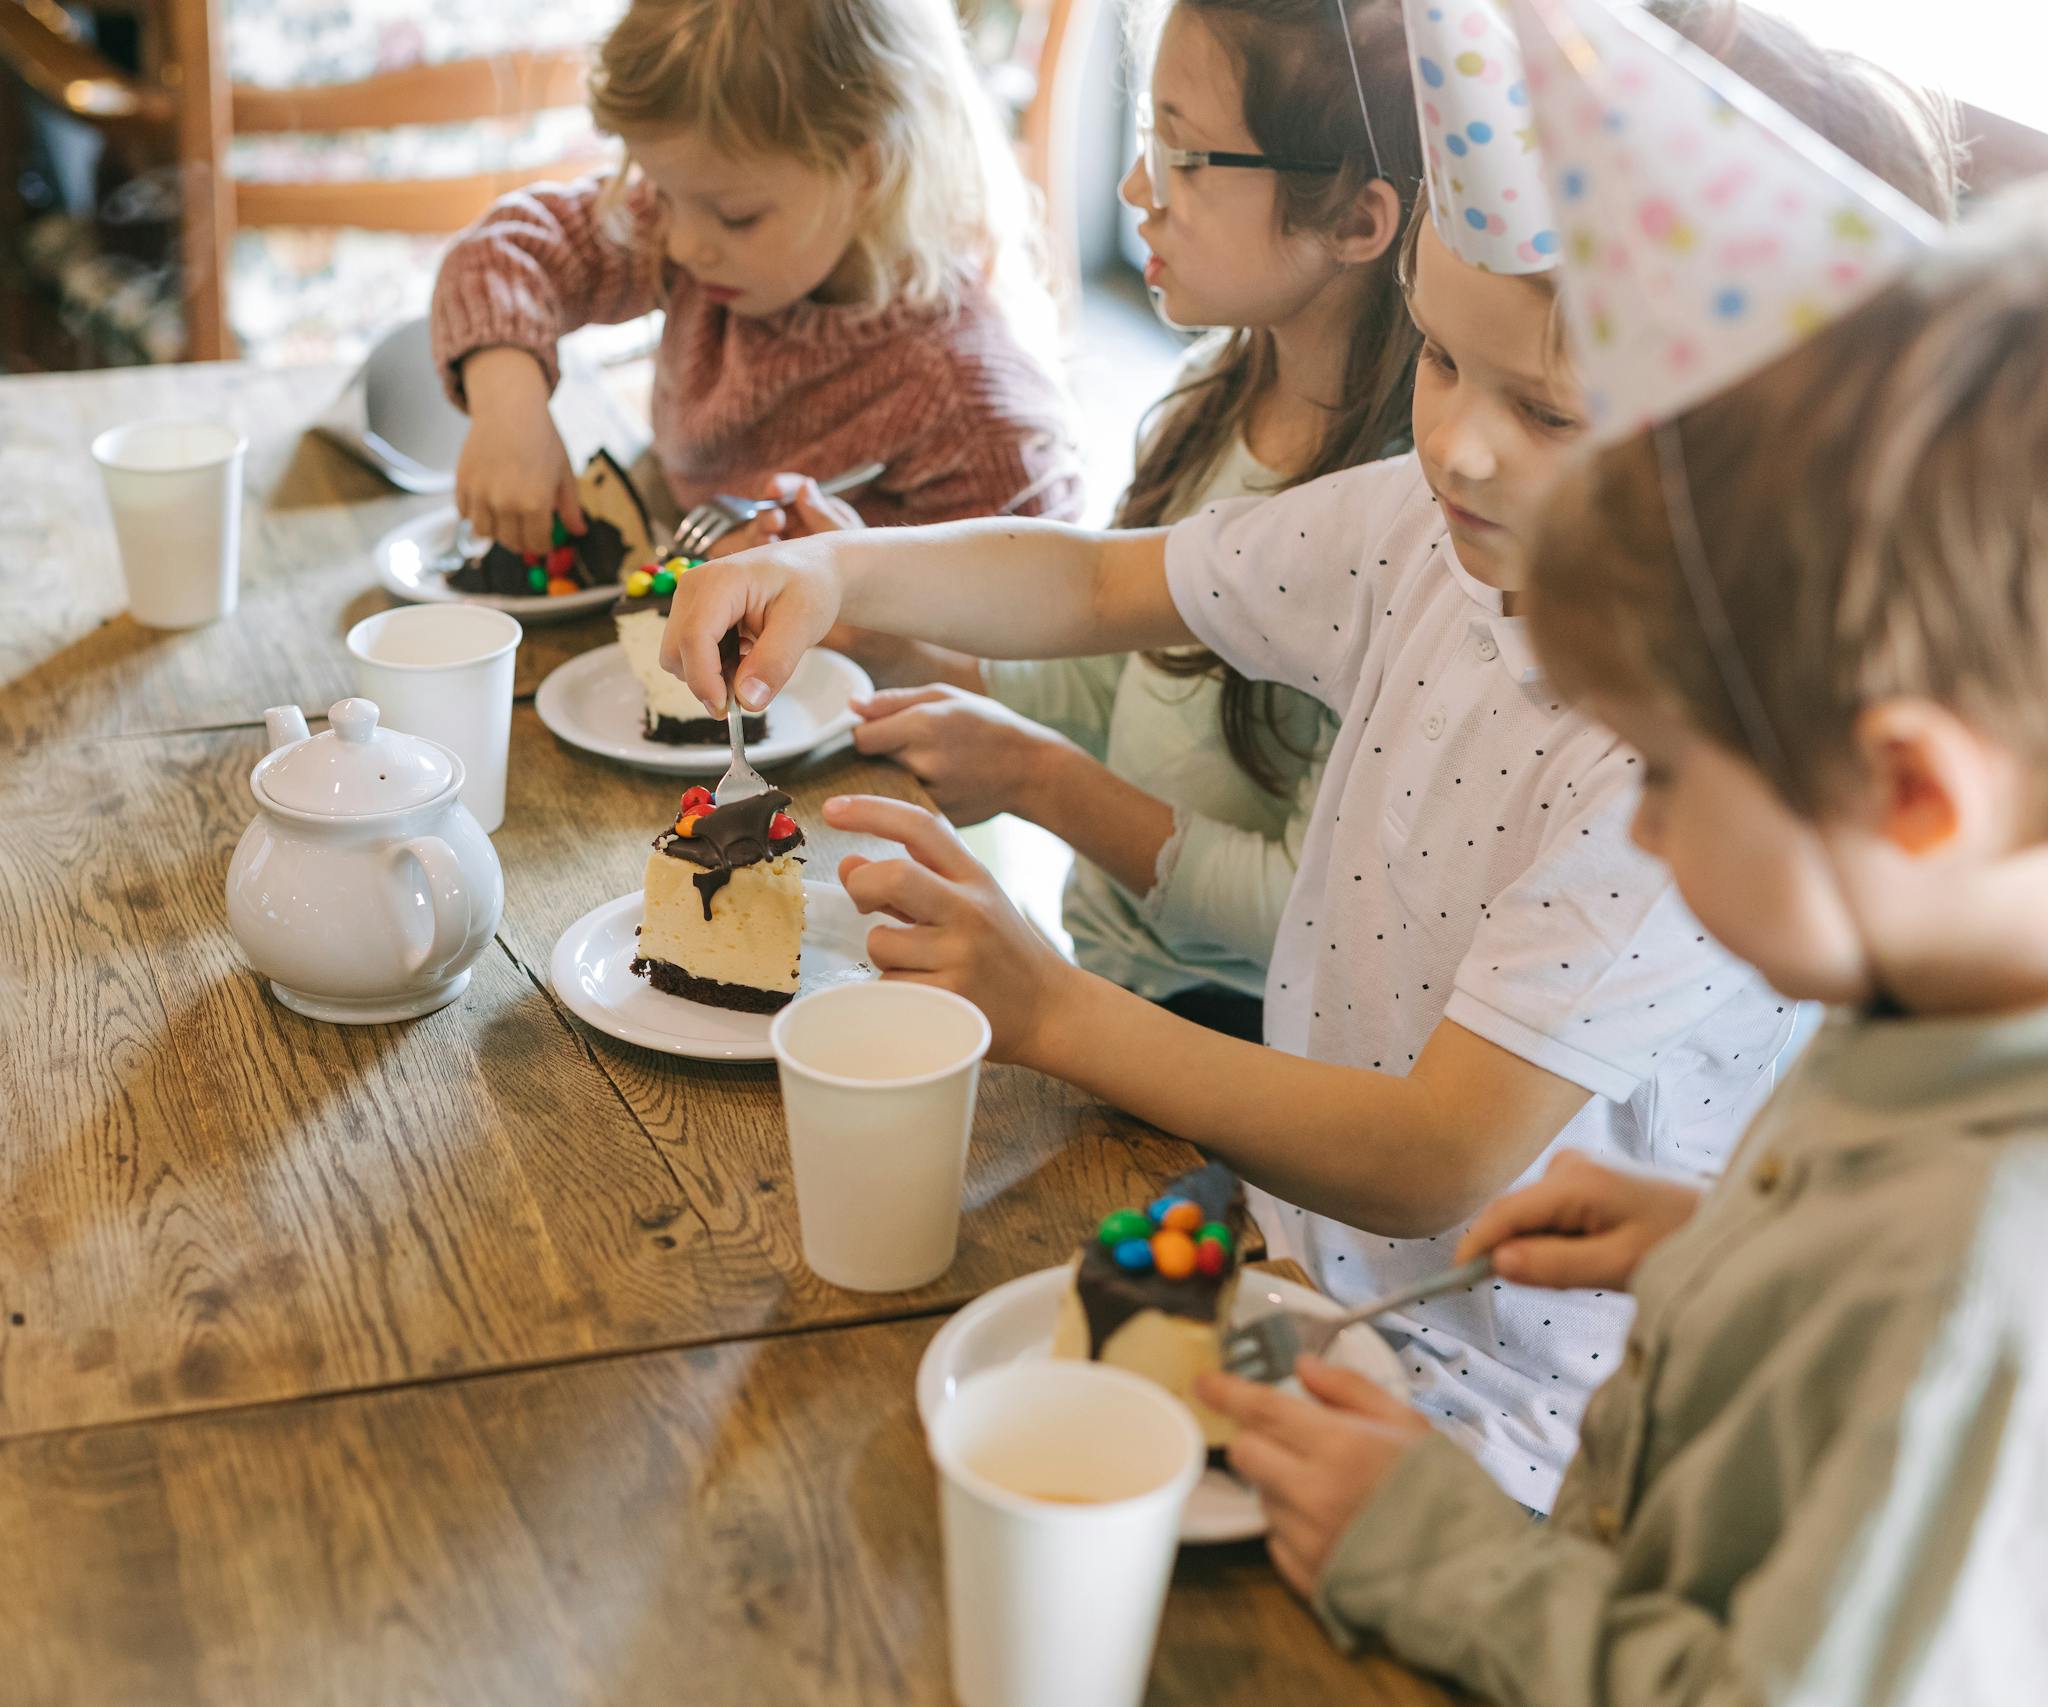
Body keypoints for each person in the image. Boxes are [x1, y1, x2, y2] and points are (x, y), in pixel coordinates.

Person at [653, 3, 1954, 1508]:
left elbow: (1434, 1153)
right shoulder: (1430, 530)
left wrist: (1051, 1008)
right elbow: (1098, 582)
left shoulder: (1671, 770)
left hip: (1522, 1424)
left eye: (1549, 408)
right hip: (1296, 1263)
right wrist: (850, 581)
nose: (1461, 444)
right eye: (1445, 358)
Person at [1195, 184, 2048, 1707]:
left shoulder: (1977, 1277)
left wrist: (1431, 1550)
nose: (1644, 832)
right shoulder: (1945, 988)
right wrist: (1726, 1254)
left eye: (1669, 773)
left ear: (1912, 795)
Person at [833, 0, 1421, 1045]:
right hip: (1106, 982)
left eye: (1187, 156)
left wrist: (1032, 778)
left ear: (1354, 220)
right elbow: (1116, 675)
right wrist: (894, 645)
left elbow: (1308, 914)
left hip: (1236, 1046)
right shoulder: (1215, 390)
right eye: (1151, 139)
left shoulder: (1399, 528)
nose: (1136, 189)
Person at [430, 0, 1081, 559]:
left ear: (867, 172)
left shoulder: (966, 396)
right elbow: (506, 251)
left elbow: (1031, 638)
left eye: (736, 217)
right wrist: (507, 403)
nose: (681, 242)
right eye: (661, 191)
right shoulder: (703, 221)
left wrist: (856, 600)